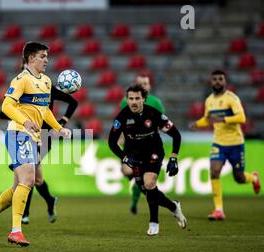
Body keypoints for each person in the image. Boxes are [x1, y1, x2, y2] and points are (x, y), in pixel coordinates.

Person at [0, 41, 71, 246]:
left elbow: (45, 111)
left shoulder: (45, 81)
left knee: (19, 187)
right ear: (31, 58)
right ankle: (16, 231)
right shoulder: (21, 79)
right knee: (29, 179)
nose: (47, 60)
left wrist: (58, 128)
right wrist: (25, 121)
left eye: (47, 56)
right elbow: (6, 105)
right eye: (43, 56)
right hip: (18, 134)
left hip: (33, 137)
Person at [0, 64, 79, 225]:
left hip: (45, 135)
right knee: (36, 178)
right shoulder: (19, 88)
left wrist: (62, 122)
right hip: (25, 132)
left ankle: (25, 214)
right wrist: (20, 115)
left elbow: (73, 102)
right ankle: (50, 200)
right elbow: (3, 112)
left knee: (29, 172)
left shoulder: (46, 86)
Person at [108, 84, 187, 236]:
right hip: (134, 156)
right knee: (148, 190)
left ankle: (154, 223)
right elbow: (111, 142)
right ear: (127, 100)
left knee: (150, 182)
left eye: (137, 98)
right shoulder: (122, 117)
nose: (134, 102)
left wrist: (174, 157)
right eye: (131, 98)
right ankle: (173, 206)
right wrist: (124, 157)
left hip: (154, 152)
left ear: (143, 99)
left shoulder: (154, 114)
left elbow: (176, 135)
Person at [189, 70, 260, 220]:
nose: (217, 82)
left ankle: (253, 178)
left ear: (225, 81)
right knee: (214, 172)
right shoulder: (209, 101)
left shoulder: (232, 98)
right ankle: (219, 210)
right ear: (211, 82)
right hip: (219, 143)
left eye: (220, 79)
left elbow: (242, 117)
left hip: (236, 143)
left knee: (239, 178)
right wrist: (197, 123)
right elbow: (208, 119)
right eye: (214, 79)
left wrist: (224, 119)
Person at [118, 75, 165, 214]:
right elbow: (122, 121)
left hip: (148, 146)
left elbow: (160, 124)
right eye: (140, 83)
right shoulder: (125, 102)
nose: (143, 86)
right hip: (131, 144)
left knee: (143, 179)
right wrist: (120, 140)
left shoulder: (156, 102)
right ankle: (145, 197)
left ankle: (136, 201)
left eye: (145, 83)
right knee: (127, 171)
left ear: (149, 86)